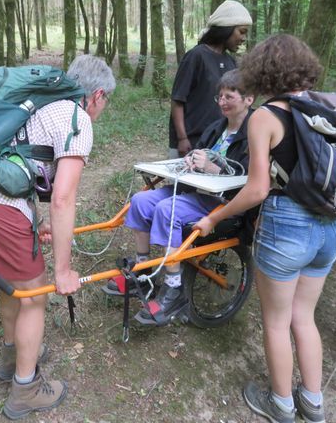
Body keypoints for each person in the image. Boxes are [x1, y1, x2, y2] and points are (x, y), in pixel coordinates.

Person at [0, 55, 116, 420]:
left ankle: (12, 355)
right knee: (33, 293)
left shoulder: (35, 99)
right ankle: (26, 388)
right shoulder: (76, 118)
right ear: (98, 96)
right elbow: (63, 197)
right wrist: (63, 270)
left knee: (12, 282)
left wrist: (35, 218)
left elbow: (16, 161)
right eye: (105, 102)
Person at [195, 34, 336, 423]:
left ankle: (281, 404)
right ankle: (313, 402)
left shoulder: (266, 116)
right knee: (304, 317)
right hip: (330, 227)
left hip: (288, 226)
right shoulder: (324, 107)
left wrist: (214, 217)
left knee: (276, 321)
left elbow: (257, 188)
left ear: (262, 70)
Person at [102, 70, 254, 326]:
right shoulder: (217, 128)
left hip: (225, 202)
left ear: (249, 99)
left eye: (229, 96)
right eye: (219, 97)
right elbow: (199, 153)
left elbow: (249, 179)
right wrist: (190, 160)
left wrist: (212, 168)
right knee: (141, 201)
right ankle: (144, 273)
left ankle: (173, 289)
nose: (222, 102)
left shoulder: (255, 134)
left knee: (167, 209)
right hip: (196, 191)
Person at [169, 0, 252, 158]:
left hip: (215, 142)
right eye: (241, 32)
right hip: (190, 141)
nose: (243, 38)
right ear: (226, 29)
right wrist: (182, 138)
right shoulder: (196, 56)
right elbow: (177, 100)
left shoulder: (230, 61)